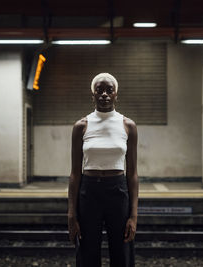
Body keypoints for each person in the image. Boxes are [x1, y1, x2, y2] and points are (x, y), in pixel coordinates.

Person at [68, 73, 138, 267]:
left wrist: (133, 215)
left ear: (116, 94)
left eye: (109, 90)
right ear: (93, 95)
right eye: (99, 90)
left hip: (118, 190)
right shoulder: (81, 126)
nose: (104, 94)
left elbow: (132, 174)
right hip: (89, 191)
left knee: (122, 250)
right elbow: (74, 174)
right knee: (88, 251)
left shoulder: (128, 126)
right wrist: (71, 214)